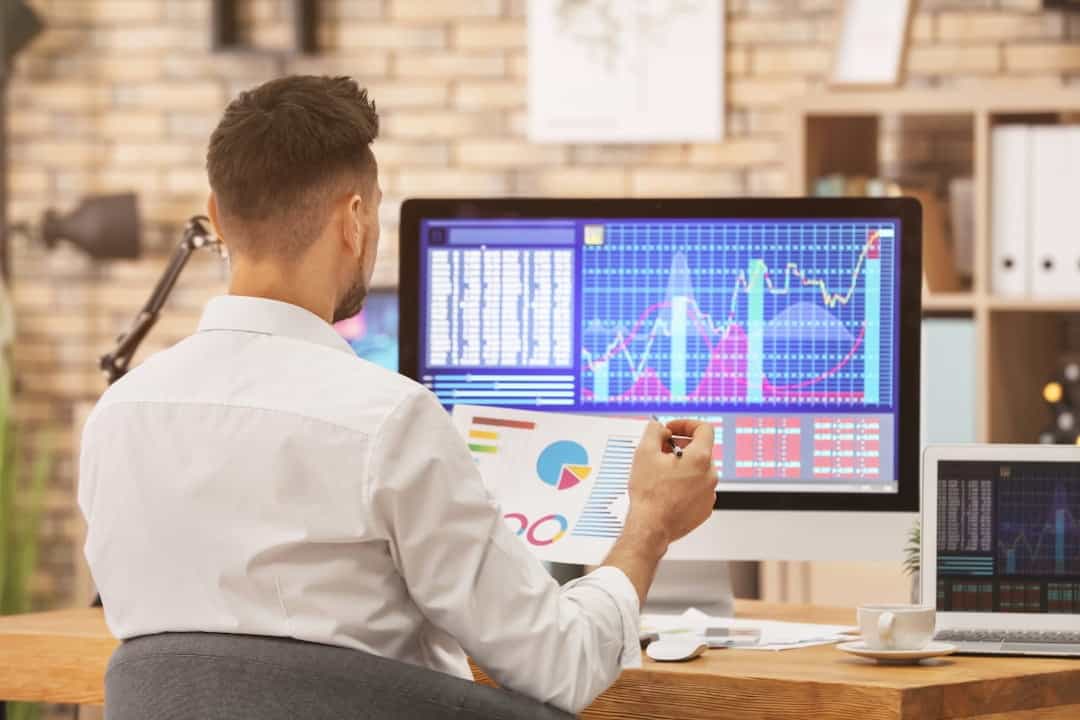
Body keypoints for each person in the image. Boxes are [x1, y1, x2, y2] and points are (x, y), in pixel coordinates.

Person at [78, 75, 718, 714]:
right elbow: (561, 664)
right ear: (354, 219)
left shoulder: (117, 417)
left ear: (215, 217)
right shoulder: (385, 421)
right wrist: (650, 523)